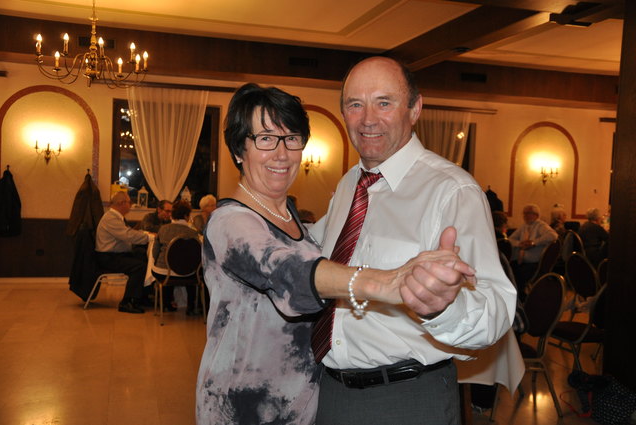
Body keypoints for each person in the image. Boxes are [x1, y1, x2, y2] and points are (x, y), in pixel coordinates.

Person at [195, 82, 475, 425]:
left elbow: (351, 241)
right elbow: (290, 272)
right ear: (239, 150)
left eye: (292, 138)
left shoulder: (292, 218)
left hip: (307, 404)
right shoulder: (230, 222)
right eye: (265, 139)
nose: (281, 154)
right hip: (247, 407)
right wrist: (388, 282)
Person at [308, 56, 516, 425]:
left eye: (384, 103)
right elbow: (314, 255)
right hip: (330, 391)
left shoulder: (452, 190)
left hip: (405, 399)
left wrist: (440, 307)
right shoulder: (348, 185)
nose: (368, 118)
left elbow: (495, 312)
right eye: (355, 104)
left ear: (415, 109)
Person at [95, 191, 151, 314]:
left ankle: (142, 297)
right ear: (121, 203)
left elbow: (127, 234)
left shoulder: (116, 217)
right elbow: (127, 235)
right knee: (139, 267)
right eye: (129, 202)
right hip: (108, 257)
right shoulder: (111, 218)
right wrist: (149, 237)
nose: (131, 205)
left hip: (114, 254)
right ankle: (127, 302)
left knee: (144, 257)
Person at [152, 199, 201, 315]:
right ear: (186, 216)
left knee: (166, 268)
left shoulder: (163, 229)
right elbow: (197, 257)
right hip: (187, 273)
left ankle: (165, 303)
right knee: (192, 270)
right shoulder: (193, 233)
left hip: (164, 272)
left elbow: (155, 253)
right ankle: (191, 306)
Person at [508, 203, 558, 296]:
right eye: (524, 213)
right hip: (522, 259)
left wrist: (534, 242)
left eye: (528, 213)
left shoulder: (540, 225)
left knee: (515, 272)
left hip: (533, 262)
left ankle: (521, 297)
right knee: (508, 267)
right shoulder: (524, 226)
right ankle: (517, 295)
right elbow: (510, 239)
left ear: (536, 215)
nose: (525, 216)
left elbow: (553, 236)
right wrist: (519, 243)